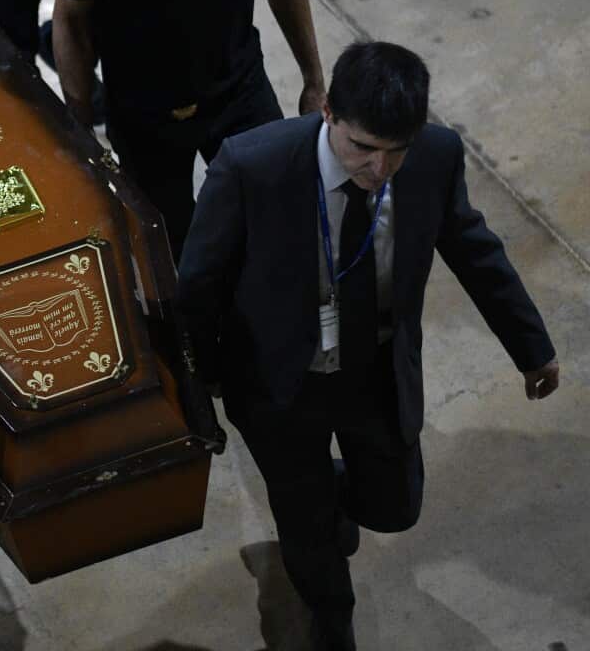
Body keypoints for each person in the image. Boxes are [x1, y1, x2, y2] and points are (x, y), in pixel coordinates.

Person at [176, 41, 561, 649]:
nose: (378, 170)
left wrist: (532, 346)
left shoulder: (435, 157)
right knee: (309, 530)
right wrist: (201, 385)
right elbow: (198, 285)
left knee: (395, 508)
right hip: (282, 385)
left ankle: (335, 495)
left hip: (376, 373)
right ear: (327, 111)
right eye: (363, 148)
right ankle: (332, 616)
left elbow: (475, 251)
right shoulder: (253, 166)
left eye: (395, 152)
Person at [50, 0, 325, 262]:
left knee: (278, 214)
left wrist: (314, 81)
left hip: (240, 86)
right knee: (170, 247)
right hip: (143, 112)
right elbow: (71, 20)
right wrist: (81, 136)